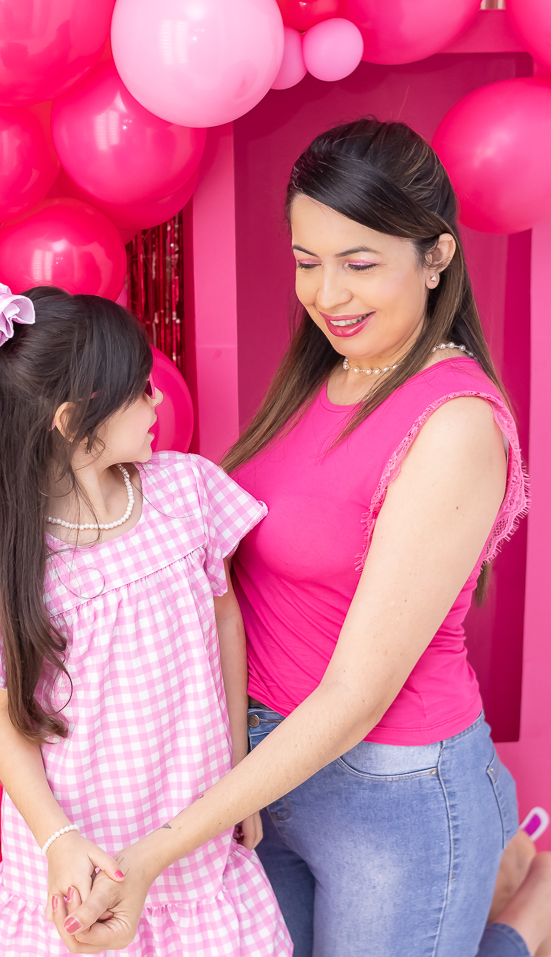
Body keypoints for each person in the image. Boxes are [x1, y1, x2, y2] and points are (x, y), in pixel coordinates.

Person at [53, 119, 551, 957]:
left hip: (389, 792)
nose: (327, 296)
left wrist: (154, 854)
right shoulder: (328, 372)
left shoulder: (453, 425)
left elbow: (355, 696)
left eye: (359, 264)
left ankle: (531, 907)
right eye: (305, 262)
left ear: (435, 257)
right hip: (268, 772)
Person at [0, 282, 291, 957]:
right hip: (77, 859)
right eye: (140, 389)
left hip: (191, 835)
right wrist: (58, 840)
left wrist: (240, 783)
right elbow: (1, 718)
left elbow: (225, 624)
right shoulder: (10, 562)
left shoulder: (187, 491)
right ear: (70, 420)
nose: (157, 401)